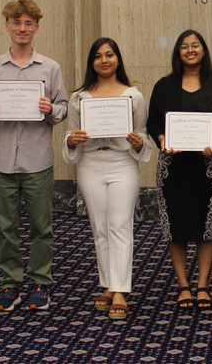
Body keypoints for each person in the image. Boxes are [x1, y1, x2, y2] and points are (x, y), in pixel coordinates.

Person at [0, 0, 68, 312]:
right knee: (5, 225)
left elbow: (63, 108)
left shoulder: (50, 67)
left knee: (42, 225)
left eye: (28, 23)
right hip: (2, 160)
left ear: (37, 28)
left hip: (37, 159)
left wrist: (50, 108)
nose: (22, 28)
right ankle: (10, 283)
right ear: (7, 26)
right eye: (16, 22)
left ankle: (41, 282)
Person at [63, 37, 150, 319]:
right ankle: (107, 284)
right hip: (90, 163)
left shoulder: (133, 96)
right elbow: (70, 135)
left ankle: (120, 291)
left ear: (117, 59)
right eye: (98, 56)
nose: (104, 60)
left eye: (109, 55)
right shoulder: (79, 97)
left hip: (122, 163)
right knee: (99, 227)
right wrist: (72, 140)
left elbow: (143, 137)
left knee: (120, 226)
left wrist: (139, 143)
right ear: (92, 63)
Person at [147, 30, 212, 310]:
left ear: (204, 50)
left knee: (207, 226)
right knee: (176, 227)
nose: (190, 50)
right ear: (178, 52)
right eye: (184, 46)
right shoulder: (164, 86)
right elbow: (153, 122)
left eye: (195, 45)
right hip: (173, 167)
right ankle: (184, 284)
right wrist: (161, 139)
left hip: (208, 167)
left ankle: (203, 284)